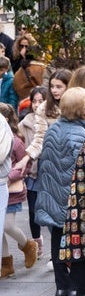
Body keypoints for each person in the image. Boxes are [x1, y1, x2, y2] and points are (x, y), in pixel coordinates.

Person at [34, 87, 85, 296]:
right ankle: (79, 288)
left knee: (57, 238)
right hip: (71, 196)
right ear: (81, 109)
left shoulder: (53, 129)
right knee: (77, 238)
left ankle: (62, 287)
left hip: (52, 194)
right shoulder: (79, 134)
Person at [18, 86, 46, 258]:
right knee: (33, 210)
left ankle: (54, 250)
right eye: (34, 101)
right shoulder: (25, 123)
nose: (36, 105)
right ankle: (37, 240)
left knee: (49, 209)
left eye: (40, 101)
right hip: (32, 173)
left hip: (48, 172)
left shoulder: (51, 120)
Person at [0, 105, 23, 278]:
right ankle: (6, 262)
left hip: (10, 187)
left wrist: (10, 177)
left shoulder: (13, 138)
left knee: (7, 225)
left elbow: (23, 165)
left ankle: (28, 245)